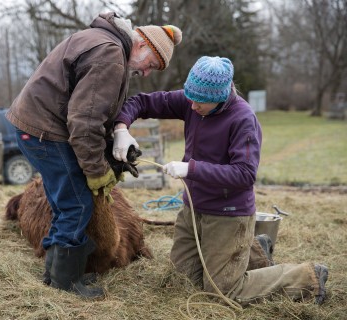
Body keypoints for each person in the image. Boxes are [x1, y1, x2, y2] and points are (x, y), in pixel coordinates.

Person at [112, 56, 328, 305]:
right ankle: (255, 250)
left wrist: (190, 169)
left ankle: (306, 277)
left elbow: (245, 175)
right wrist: (121, 129)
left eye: (200, 102)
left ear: (221, 96)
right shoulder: (194, 98)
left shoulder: (242, 119)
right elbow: (142, 102)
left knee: (223, 292)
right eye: (190, 98)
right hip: (193, 209)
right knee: (181, 280)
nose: (192, 107)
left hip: (228, 213)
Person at [6, 12, 182, 299]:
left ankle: (54, 272)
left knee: (63, 202)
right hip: (46, 133)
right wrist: (97, 171)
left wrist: (118, 139)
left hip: (35, 126)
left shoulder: (103, 41)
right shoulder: (111, 56)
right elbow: (84, 122)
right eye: (151, 64)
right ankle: (65, 282)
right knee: (77, 204)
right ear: (142, 46)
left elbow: (92, 112)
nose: (147, 73)